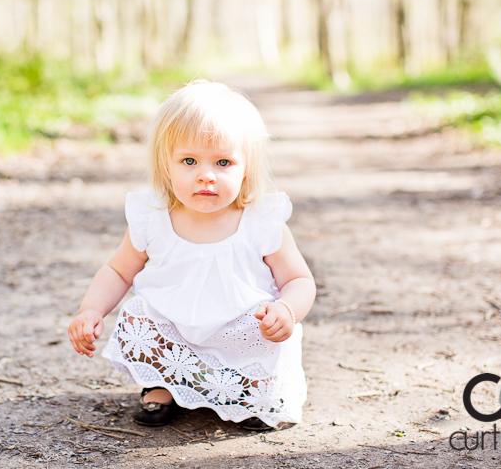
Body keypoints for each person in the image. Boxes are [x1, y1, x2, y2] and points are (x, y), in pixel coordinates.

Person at [68, 79, 315, 431]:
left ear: (247, 167)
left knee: (262, 333)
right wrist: (90, 310)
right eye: (189, 160)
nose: (206, 175)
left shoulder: (260, 222)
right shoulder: (152, 218)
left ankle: (248, 389)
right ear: (165, 165)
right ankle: (163, 382)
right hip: (175, 326)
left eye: (223, 162)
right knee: (141, 314)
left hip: (237, 329)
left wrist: (287, 309)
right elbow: (118, 271)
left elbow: (298, 280)